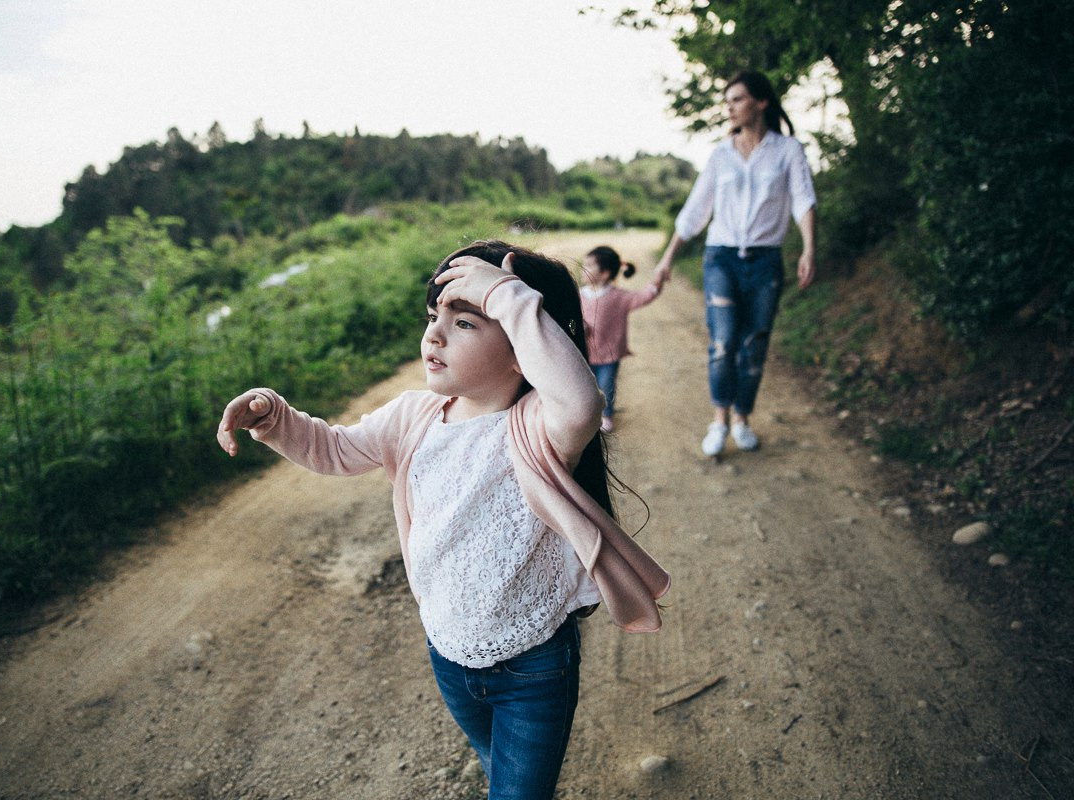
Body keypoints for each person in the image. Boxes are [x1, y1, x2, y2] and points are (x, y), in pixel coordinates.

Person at [216, 240, 670, 799]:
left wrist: (504, 295)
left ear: (524, 347)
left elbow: (581, 401)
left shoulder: (540, 428)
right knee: (495, 766)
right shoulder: (414, 416)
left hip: (534, 667)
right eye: (434, 317)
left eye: (465, 322)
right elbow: (332, 449)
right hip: (449, 654)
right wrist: (274, 415)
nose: (434, 335)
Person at [654, 69, 818, 457]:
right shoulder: (721, 154)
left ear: (761, 102)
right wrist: (666, 260)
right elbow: (695, 211)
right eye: (726, 101)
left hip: (765, 262)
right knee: (724, 343)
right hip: (721, 259)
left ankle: (743, 418)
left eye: (737, 99)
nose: (729, 107)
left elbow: (804, 200)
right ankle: (719, 421)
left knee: (755, 345)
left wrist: (810, 248)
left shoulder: (788, 151)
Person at [579, 245, 666, 433]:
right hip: (583, 353)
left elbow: (643, 296)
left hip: (609, 356)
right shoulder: (577, 295)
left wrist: (657, 283)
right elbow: (569, 319)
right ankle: (588, 414)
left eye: (589, 265)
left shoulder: (618, 297)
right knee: (585, 386)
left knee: (607, 386)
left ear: (604, 273)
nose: (582, 269)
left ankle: (607, 414)